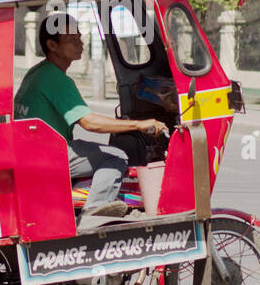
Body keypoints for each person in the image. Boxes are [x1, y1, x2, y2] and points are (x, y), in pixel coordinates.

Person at [14, 12, 166, 229]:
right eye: (71, 39)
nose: (80, 42)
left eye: (79, 36)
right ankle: (95, 213)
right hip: (47, 154)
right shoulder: (57, 79)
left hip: (32, 149)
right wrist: (140, 124)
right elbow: (90, 123)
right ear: (52, 45)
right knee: (115, 157)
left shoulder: (38, 72)